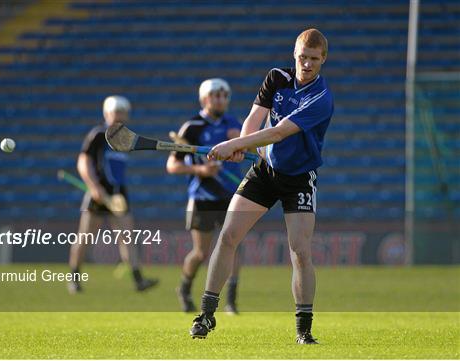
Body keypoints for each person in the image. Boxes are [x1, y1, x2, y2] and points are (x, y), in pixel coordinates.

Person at [189, 29, 334, 344]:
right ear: (294, 54)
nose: (306, 64)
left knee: (300, 250)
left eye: (313, 59)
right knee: (227, 237)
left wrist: (233, 144)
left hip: (299, 178)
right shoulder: (277, 78)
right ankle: (206, 314)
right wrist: (241, 145)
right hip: (266, 171)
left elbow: (279, 133)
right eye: (301, 57)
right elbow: (255, 120)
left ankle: (303, 330)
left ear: (323, 59)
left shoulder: (321, 98)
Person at [166, 78, 244, 314]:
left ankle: (230, 302)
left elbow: (251, 151)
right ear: (204, 99)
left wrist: (240, 140)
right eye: (215, 96)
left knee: (233, 248)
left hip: (231, 195)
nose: (220, 100)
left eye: (224, 96)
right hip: (202, 198)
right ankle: (184, 288)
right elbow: (172, 165)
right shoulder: (192, 127)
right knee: (201, 252)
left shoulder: (234, 125)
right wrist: (200, 170)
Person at [68, 95, 158, 293]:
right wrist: (93, 187)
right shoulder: (98, 134)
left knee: (127, 237)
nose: (120, 116)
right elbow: (83, 162)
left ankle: (138, 280)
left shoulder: (125, 137)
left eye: (123, 112)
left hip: (119, 194)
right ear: (107, 113)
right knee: (85, 237)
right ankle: (74, 277)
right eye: (116, 112)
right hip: (98, 193)